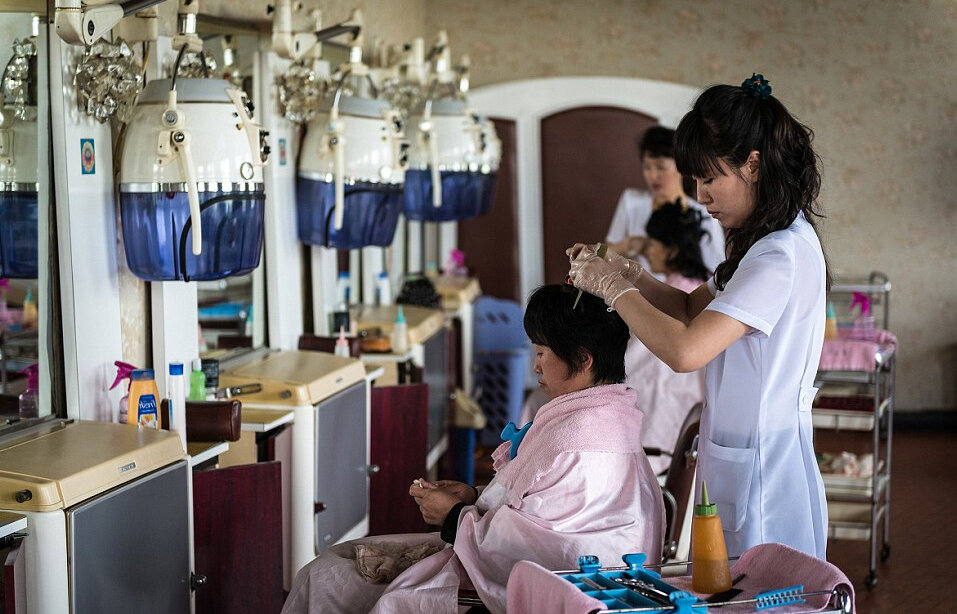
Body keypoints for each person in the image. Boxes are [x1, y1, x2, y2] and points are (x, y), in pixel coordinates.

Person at [567, 73, 830, 560]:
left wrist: (611, 288)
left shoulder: (779, 256)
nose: (701, 196)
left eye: (709, 179)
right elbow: (690, 308)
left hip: (764, 467)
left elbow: (686, 351)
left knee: (762, 586)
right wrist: (628, 271)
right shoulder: (765, 243)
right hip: (741, 451)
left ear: (753, 165)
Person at [281, 284, 664, 614]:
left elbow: (532, 553)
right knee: (338, 560)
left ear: (582, 359)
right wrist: (472, 498)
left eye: (541, 353)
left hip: (532, 584)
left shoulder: (578, 441)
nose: (536, 367)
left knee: (324, 577)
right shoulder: (605, 418)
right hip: (495, 552)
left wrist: (454, 517)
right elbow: (539, 515)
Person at [629, 202, 710, 474]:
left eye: (653, 244)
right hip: (697, 411)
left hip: (669, 405)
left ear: (671, 250)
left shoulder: (666, 297)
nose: (648, 251)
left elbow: (635, 362)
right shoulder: (709, 285)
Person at [605, 125, 725, 275]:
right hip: (633, 288)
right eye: (647, 167)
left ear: (681, 167)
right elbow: (605, 254)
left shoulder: (703, 215)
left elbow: (715, 272)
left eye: (661, 167)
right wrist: (628, 245)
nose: (652, 176)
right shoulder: (631, 201)